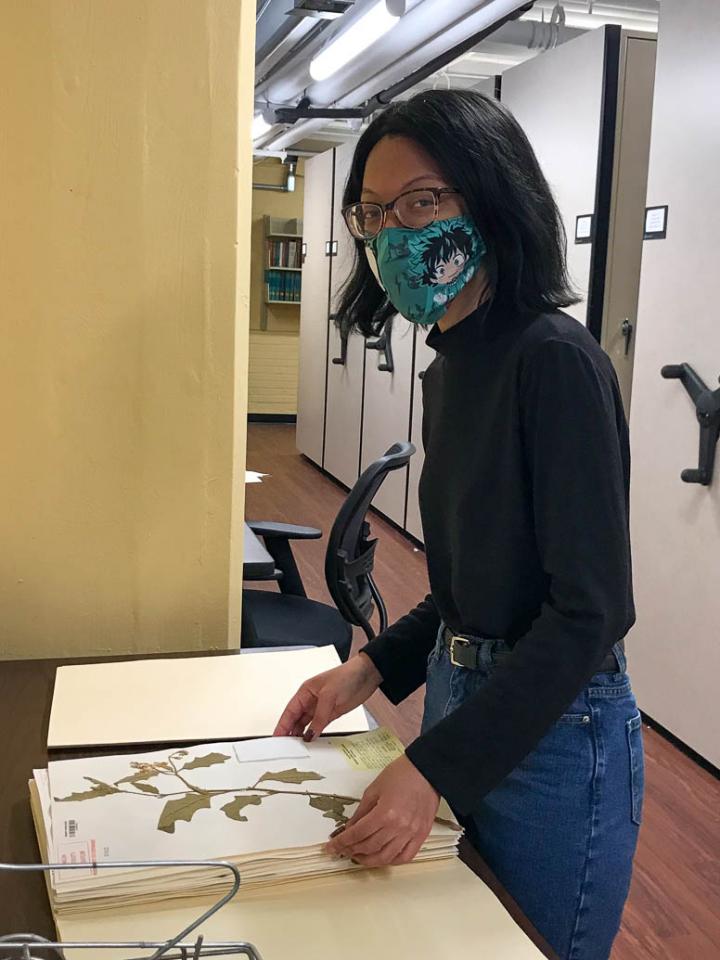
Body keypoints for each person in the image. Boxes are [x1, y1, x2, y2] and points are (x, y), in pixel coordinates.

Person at [274, 89, 642, 960]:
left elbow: (590, 613)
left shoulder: (553, 361)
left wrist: (434, 767)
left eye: (422, 200)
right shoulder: (450, 364)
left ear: (490, 194)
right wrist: (367, 671)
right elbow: (469, 586)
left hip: (557, 735)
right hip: (460, 695)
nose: (393, 230)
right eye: (374, 211)